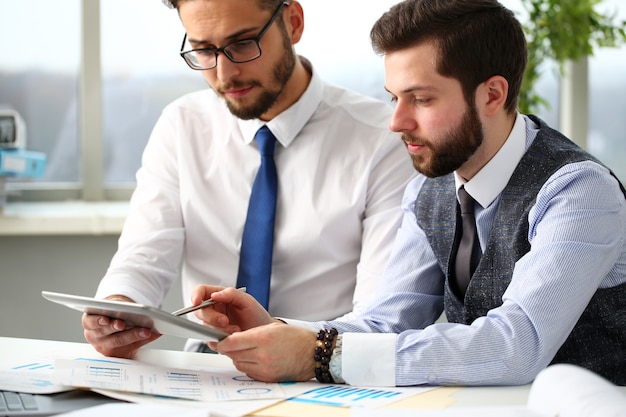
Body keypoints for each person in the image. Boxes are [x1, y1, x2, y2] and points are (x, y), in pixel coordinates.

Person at [192, 0, 626, 386]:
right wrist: (280, 331)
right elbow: (387, 323)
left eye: (420, 99)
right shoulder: (427, 189)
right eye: (394, 98)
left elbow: (517, 345)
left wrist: (319, 354)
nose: (396, 122)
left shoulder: (579, 191)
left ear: (493, 94)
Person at [81, 0, 415, 357]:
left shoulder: (383, 139)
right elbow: (143, 255)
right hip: (207, 362)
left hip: (322, 366)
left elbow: (380, 314)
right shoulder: (182, 125)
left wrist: (296, 346)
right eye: (203, 50)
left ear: (294, 22)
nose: (224, 74)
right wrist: (118, 308)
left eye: (242, 44)